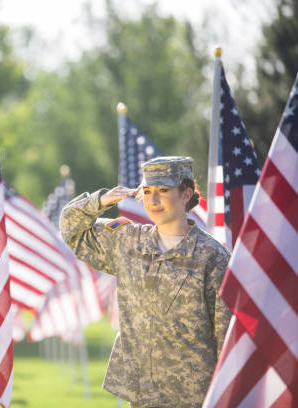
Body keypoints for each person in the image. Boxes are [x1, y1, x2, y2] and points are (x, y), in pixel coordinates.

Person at [60, 156, 231, 407]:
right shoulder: (127, 240)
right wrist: (101, 200)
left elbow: (226, 336)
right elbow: (71, 229)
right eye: (148, 191)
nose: (153, 200)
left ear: (186, 194)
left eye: (163, 190)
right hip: (142, 394)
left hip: (194, 396)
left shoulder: (212, 256)